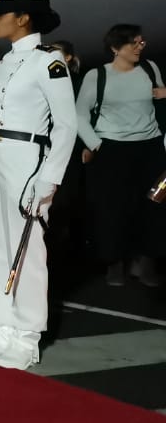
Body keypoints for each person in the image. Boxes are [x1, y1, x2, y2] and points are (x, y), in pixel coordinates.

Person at [0, 0, 77, 370]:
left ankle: (27, 339)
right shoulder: (9, 60)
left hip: (25, 156)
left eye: (0, 14)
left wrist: (49, 177)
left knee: (26, 249)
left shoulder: (49, 62)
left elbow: (66, 125)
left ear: (23, 17)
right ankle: (3, 332)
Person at [73, 23, 166, 286]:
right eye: (133, 44)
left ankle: (146, 263)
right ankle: (115, 264)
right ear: (115, 48)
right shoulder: (97, 76)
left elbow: (158, 96)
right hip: (112, 149)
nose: (139, 47)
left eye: (141, 42)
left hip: (150, 148)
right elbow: (80, 113)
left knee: (155, 204)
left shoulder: (150, 68)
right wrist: (96, 144)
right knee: (113, 208)